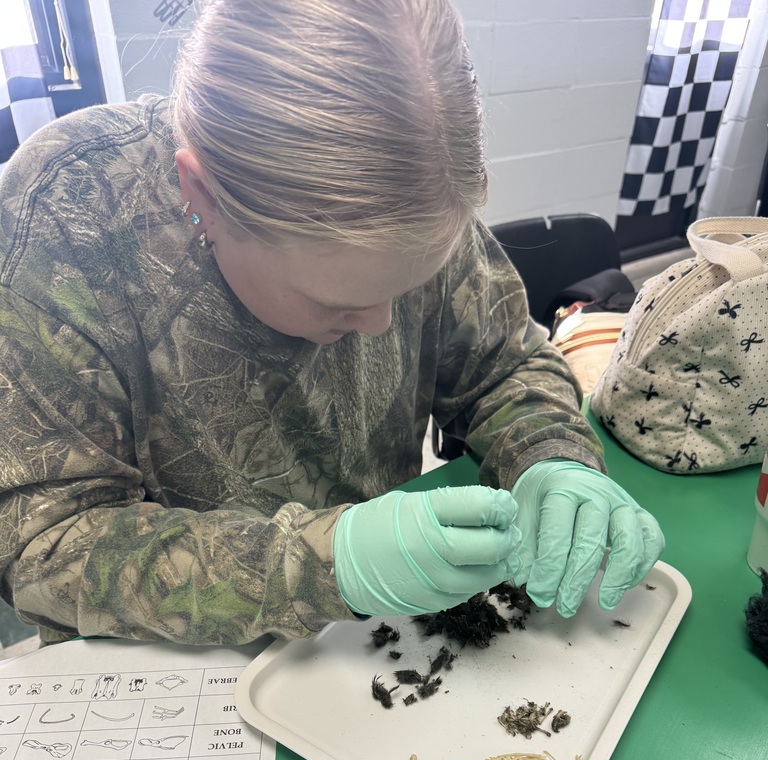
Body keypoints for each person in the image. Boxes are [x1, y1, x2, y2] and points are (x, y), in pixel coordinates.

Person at [0, 0, 662, 647]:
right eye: (335, 301)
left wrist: (556, 461)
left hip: (380, 642)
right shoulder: (64, 220)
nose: (380, 325)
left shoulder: (414, 177)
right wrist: (324, 563)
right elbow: (42, 545)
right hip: (186, 691)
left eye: (407, 289)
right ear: (202, 197)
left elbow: (504, 365)